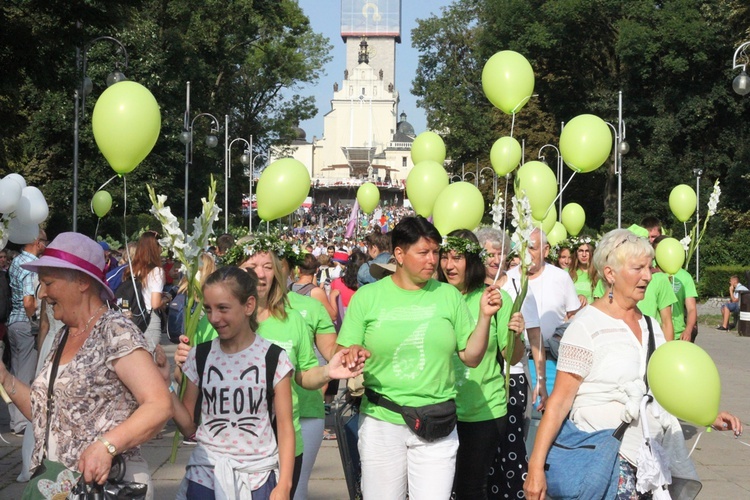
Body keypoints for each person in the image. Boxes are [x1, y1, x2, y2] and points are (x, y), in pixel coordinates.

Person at [523, 229, 743, 500]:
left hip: (649, 464)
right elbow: (559, 404)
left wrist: (708, 415)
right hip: (602, 463)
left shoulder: (650, 325)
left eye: (649, 268)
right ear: (610, 274)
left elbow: (667, 387)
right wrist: (535, 467)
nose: (648, 276)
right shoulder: (585, 326)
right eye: (638, 268)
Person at [336, 216, 504, 499]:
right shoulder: (368, 297)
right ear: (399, 254)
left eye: (435, 252)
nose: (433, 260)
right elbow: (342, 351)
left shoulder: (448, 296)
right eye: (423, 252)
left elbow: (471, 357)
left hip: (436, 424)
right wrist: (351, 354)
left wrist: (485, 318)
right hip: (382, 422)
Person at [176, 245, 363, 498]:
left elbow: (297, 391)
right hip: (207, 471)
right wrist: (170, 378)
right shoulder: (206, 338)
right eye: (251, 267)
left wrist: (329, 371)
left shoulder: (286, 331)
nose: (215, 317)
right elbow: (190, 412)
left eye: (267, 267)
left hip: (265, 460)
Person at [0, 232, 172, 499]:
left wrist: (107, 446)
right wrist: (4, 377)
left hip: (105, 487)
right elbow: (45, 413)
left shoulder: (114, 330)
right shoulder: (64, 335)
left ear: (81, 281)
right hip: (58, 484)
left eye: (48, 283)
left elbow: (159, 404)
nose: (42, 293)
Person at [165, 267, 296, 499]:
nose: (214, 318)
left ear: (249, 305)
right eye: (208, 309)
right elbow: (187, 426)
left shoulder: (273, 358)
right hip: (206, 474)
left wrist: (284, 484)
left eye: (223, 308)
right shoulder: (200, 356)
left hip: (258, 477)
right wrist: (163, 382)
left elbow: (285, 427)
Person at [437, 230, 525, 499]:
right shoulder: (434, 296)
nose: (449, 265)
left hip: (482, 411)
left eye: (458, 257)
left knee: (470, 487)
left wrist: (516, 334)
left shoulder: (495, 297)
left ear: (472, 260)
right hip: (436, 408)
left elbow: (512, 357)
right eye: (444, 257)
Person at [476, 226, 542, 499]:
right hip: (479, 381)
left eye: (499, 254)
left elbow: (535, 339)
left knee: (511, 449)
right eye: (488, 254)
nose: (494, 259)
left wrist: (541, 382)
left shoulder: (520, 286)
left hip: (513, 377)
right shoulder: (468, 289)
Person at [506, 228, 580, 398]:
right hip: (517, 363)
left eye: (532, 248)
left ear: (546, 250)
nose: (527, 254)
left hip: (552, 361)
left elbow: (574, 317)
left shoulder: (561, 278)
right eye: (523, 247)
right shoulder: (508, 279)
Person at [7, 228, 47, 435]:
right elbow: (28, 300)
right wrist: (34, 318)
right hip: (24, 323)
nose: (45, 245)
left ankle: (16, 418)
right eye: (44, 241)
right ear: (36, 242)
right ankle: (21, 422)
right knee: (24, 374)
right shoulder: (30, 266)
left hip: (13, 322)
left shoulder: (15, 261)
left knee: (15, 371)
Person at [123, 231, 167, 350]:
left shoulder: (131, 269)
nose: (161, 249)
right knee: (150, 358)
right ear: (155, 247)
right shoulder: (156, 271)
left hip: (132, 317)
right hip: (149, 319)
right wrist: (167, 298)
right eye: (160, 245)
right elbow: (155, 303)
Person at [653, 235, 698, 341]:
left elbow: (691, 308)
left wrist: (688, 329)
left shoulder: (684, 276)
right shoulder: (649, 274)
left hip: (679, 334)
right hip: (656, 333)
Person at [568, 238, 597, 306]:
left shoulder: (597, 274)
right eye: (581, 251)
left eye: (587, 251)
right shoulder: (567, 273)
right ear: (576, 253)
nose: (584, 255)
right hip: (573, 314)